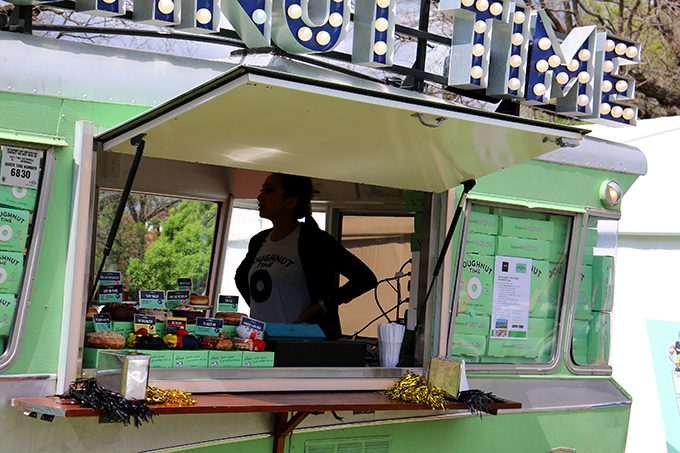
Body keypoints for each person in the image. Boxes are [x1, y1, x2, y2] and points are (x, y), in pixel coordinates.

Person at [235, 172, 377, 339]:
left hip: (301, 342)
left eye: (269, 190)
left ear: (291, 202)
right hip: (262, 340)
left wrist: (322, 305)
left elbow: (365, 278)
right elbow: (241, 278)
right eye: (262, 190)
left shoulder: (315, 240)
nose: (260, 197)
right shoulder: (259, 241)